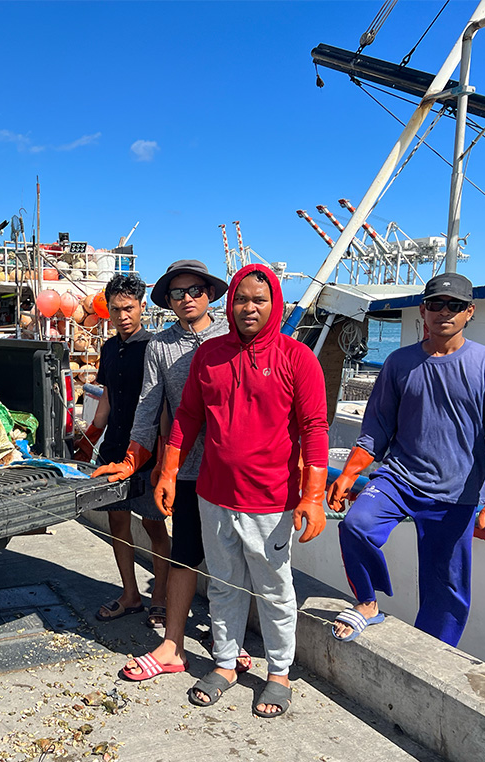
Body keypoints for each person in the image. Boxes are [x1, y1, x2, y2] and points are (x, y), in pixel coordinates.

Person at [153, 263, 328, 717]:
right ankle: (226, 664)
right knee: (225, 586)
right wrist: (169, 472)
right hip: (214, 495)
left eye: (259, 300)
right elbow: (187, 417)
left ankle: (279, 674)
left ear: (276, 304)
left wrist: (312, 495)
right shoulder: (210, 356)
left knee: (274, 590)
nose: (249, 308)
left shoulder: (297, 358)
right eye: (241, 299)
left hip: (271, 501)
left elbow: (314, 429)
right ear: (229, 303)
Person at [327, 272, 485, 647]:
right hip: (398, 480)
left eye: (454, 305)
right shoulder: (399, 363)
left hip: (456, 493)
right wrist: (349, 474)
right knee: (356, 525)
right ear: (423, 310)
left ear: (470, 312)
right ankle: (368, 604)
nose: (443, 311)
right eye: (435, 303)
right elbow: (376, 430)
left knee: (446, 587)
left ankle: (431, 651)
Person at [93, 260, 236, 675]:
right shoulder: (160, 346)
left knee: (233, 555)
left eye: (194, 290)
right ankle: (171, 642)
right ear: (168, 301)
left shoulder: (230, 336)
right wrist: (134, 458)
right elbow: (149, 406)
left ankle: (228, 639)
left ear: (210, 293)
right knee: (187, 555)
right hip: (185, 466)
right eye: (177, 293)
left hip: (232, 468)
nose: (186, 298)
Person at [75, 274, 172, 626]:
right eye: (115, 310)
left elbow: (162, 407)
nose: (122, 316)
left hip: (148, 453)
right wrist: (87, 442)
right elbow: (107, 401)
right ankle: (130, 594)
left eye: (128, 308)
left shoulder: (155, 348)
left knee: (155, 525)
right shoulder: (108, 349)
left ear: (141, 306)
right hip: (113, 450)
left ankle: (159, 597)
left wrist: (163, 462)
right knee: (117, 523)